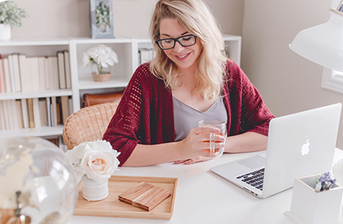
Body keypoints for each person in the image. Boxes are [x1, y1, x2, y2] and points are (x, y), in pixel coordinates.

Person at [103, 0, 274, 167]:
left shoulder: (230, 72)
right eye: (167, 40)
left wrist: (216, 146)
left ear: (204, 34)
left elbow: (270, 130)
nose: (177, 49)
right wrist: (181, 149)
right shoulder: (146, 78)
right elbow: (114, 147)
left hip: (220, 179)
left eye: (186, 37)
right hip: (167, 184)